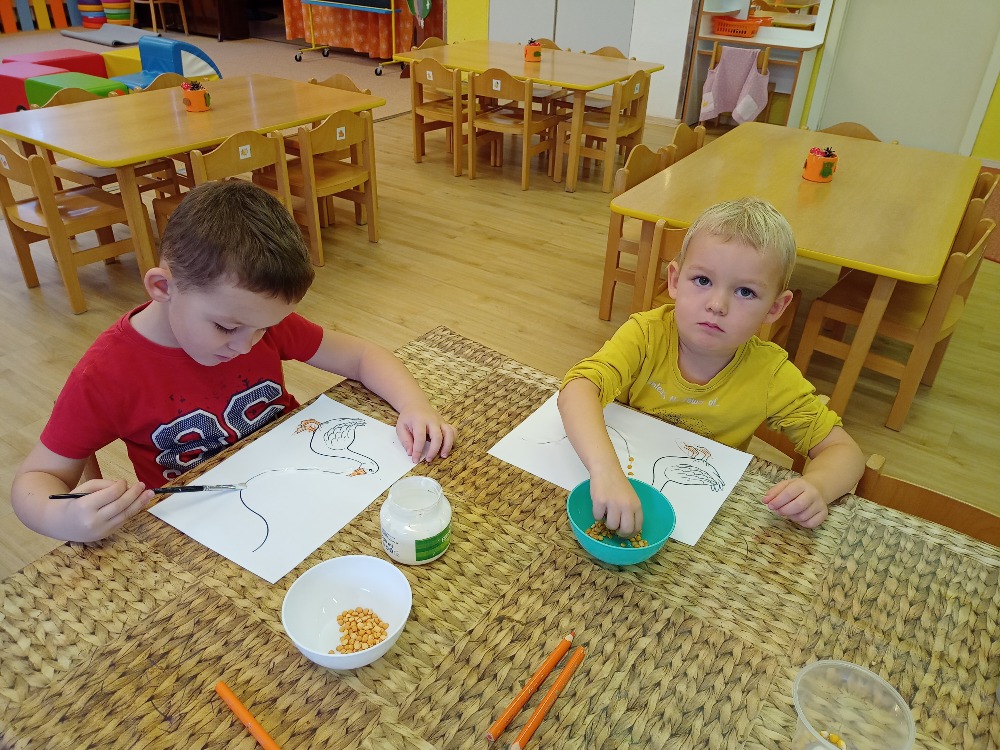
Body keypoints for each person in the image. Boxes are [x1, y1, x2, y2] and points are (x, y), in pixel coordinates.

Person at [12, 181, 456, 543]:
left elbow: (361, 356)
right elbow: (36, 479)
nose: (246, 346)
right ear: (163, 288)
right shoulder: (106, 375)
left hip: (302, 485)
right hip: (204, 527)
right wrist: (63, 518)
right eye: (226, 328)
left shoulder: (252, 319)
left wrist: (414, 406)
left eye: (263, 329)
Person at [558, 197, 864, 535]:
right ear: (675, 280)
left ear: (775, 308)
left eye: (745, 292)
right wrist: (605, 471)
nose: (717, 305)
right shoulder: (645, 335)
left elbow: (844, 451)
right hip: (617, 475)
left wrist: (818, 486)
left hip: (701, 511)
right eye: (703, 280)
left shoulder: (771, 374)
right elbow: (578, 389)